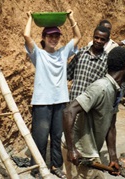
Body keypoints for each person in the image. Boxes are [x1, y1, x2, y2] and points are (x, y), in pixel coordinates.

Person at [23, 10, 81, 179]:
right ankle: (37, 168)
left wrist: (71, 17)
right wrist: (29, 18)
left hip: (61, 101)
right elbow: (26, 35)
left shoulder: (63, 53)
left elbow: (77, 37)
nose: (54, 39)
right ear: (44, 38)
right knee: (40, 138)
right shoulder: (38, 55)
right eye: (50, 36)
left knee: (56, 136)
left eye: (56, 36)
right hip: (42, 102)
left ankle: (56, 166)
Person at [63, 46, 125, 178]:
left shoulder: (115, 91)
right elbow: (68, 111)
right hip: (80, 153)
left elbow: (111, 126)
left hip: (91, 153)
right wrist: (72, 150)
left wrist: (113, 157)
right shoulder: (101, 87)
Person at [67, 25, 110, 101]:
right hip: (73, 102)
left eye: (102, 39)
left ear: (107, 41)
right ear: (93, 37)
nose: (98, 41)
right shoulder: (81, 53)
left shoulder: (106, 61)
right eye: (96, 37)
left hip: (90, 106)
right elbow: (67, 74)